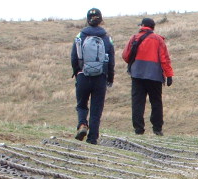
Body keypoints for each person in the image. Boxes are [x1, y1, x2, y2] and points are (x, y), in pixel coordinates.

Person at [121, 17, 173, 136]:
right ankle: (157, 129)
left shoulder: (134, 38)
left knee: (137, 102)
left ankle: (138, 129)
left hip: (137, 75)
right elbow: (164, 59)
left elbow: (125, 56)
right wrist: (169, 75)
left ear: (143, 26)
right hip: (155, 75)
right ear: (153, 27)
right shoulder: (158, 39)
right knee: (156, 102)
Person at [70, 8, 115, 144]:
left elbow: (74, 57)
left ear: (87, 20)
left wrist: (77, 72)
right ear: (100, 20)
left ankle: (83, 124)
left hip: (83, 75)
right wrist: (110, 77)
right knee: (96, 109)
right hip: (100, 77)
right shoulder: (107, 38)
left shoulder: (80, 36)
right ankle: (92, 138)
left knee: (82, 105)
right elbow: (111, 61)